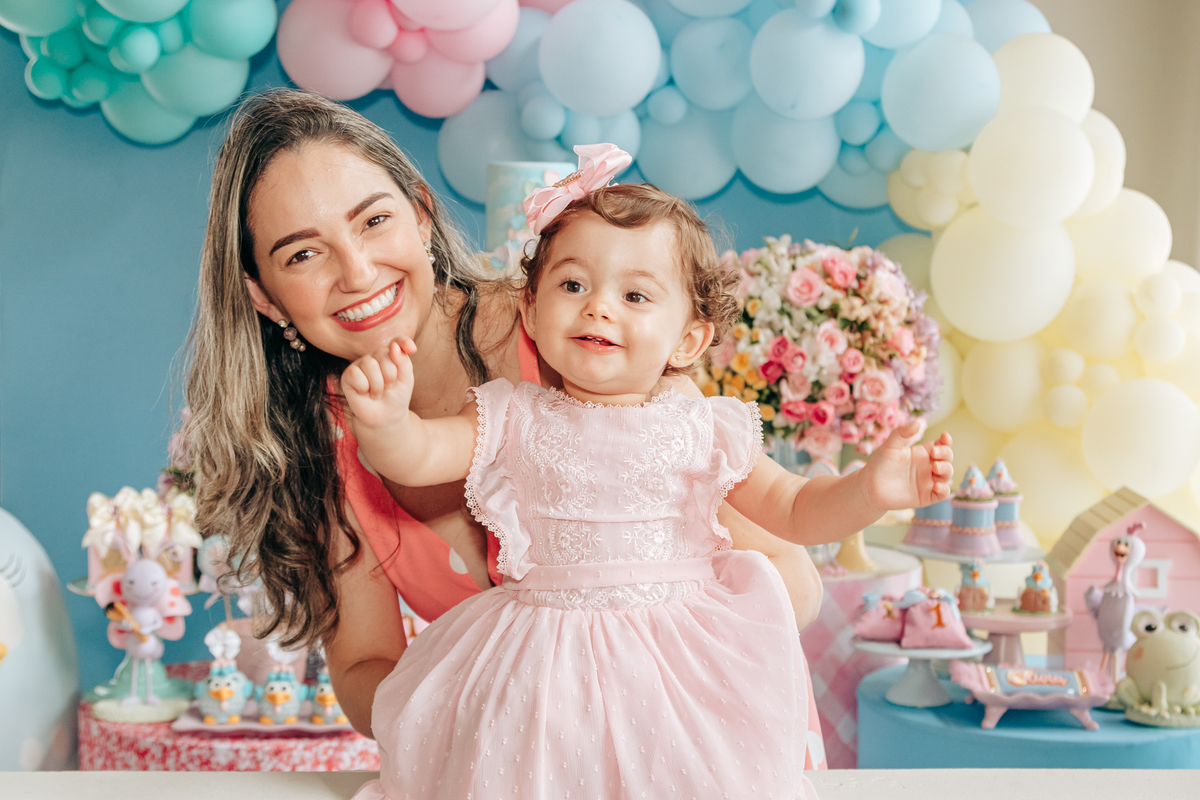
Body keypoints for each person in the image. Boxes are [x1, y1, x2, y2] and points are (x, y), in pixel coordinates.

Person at [183, 89, 823, 737]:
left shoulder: (573, 336)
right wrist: (497, 715)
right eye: (302, 253)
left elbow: (793, 586)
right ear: (263, 296)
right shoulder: (318, 448)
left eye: (373, 221)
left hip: (700, 739)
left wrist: (631, 700)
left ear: (421, 214)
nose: (357, 271)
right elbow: (366, 667)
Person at [341, 146, 955, 799]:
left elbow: (798, 508)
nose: (599, 307)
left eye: (635, 294)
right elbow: (419, 454)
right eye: (573, 285)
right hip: (544, 657)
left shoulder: (701, 426)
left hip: (677, 662)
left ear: (688, 339)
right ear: (530, 310)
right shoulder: (512, 415)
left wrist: (871, 489)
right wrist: (384, 423)